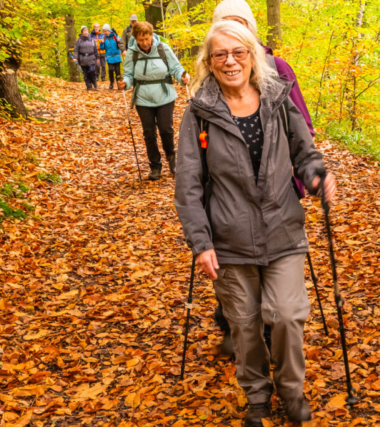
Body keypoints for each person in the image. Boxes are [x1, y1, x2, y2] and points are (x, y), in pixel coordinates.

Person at [175, 21, 337, 426]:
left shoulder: (278, 99)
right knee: (244, 326)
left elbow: (305, 152)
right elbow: (188, 185)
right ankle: (258, 398)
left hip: (283, 230)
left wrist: (317, 174)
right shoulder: (199, 114)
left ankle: (291, 390)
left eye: (238, 52)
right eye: (220, 55)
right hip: (228, 240)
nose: (230, 61)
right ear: (209, 63)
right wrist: (201, 242)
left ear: (252, 54)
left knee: (285, 315)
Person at [211, 0, 316, 355]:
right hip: (228, 200)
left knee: (277, 263)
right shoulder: (212, 76)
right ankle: (237, 324)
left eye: (240, 24)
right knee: (234, 264)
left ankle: (272, 330)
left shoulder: (278, 68)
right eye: (226, 25)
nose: (234, 32)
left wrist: (302, 180)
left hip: (276, 191)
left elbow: (303, 127)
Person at [117, 21, 190, 180]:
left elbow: (176, 68)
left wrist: (183, 77)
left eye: (147, 38)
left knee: (166, 130)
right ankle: (155, 167)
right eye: (140, 39)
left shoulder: (163, 48)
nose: (144, 43)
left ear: (151, 36)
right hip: (143, 98)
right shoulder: (132, 53)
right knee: (149, 133)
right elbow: (128, 75)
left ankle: (172, 160)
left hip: (165, 96)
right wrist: (125, 83)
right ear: (135, 38)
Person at [74, 26, 99, 91]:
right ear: (82, 32)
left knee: (92, 71)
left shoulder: (92, 40)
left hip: (91, 58)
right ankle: (89, 86)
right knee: (85, 73)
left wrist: (97, 57)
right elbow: (76, 50)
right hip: (82, 59)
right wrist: (75, 57)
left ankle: (94, 81)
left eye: (87, 31)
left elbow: (95, 50)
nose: (86, 32)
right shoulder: (79, 41)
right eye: (84, 31)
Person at [100, 24, 122, 90]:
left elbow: (121, 44)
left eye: (106, 31)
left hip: (117, 56)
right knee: (110, 70)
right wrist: (101, 43)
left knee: (118, 71)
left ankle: (119, 84)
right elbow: (102, 48)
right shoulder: (103, 38)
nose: (105, 32)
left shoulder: (115, 36)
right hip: (109, 57)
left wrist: (119, 41)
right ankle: (111, 83)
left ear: (109, 30)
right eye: (104, 31)